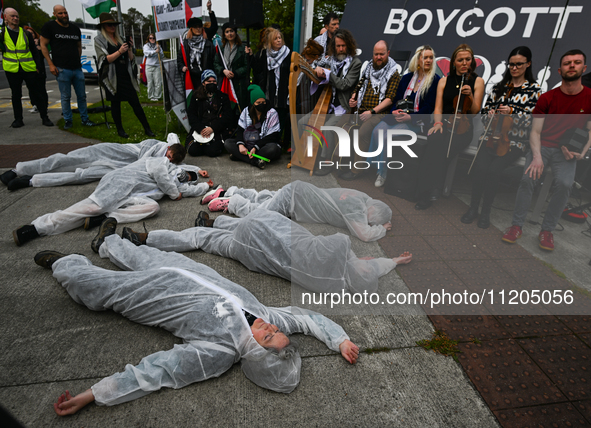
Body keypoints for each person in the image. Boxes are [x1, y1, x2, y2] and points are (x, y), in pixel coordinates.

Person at [37, 234, 358, 415]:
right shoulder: (269, 317)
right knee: (137, 253)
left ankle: (63, 264)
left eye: (267, 337)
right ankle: (106, 241)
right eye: (277, 332)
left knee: (93, 289)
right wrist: (340, 340)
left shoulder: (218, 352)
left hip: (151, 297)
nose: (269, 327)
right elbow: (307, 318)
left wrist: (93, 394)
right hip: (181, 268)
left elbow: (158, 371)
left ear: (255, 354)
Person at [122, 209, 412, 293]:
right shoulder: (332, 286)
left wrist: (360, 257)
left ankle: (205, 222)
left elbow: (344, 243)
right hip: (254, 254)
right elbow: (371, 269)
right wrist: (393, 261)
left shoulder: (334, 250)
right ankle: (147, 238)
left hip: (265, 232)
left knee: (234, 226)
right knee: (206, 239)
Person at [502, 49, 591, 251]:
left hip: (567, 152)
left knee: (565, 184)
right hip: (542, 146)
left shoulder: (589, 97)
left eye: (576, 63)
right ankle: (516, 226)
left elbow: (589, 131)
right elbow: (535, 131)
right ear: (560, 70)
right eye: (567, 63)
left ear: (584, 68)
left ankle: (547, 230)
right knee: (527, 178)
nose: (572, 66)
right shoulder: (547, 98)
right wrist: (537, 157)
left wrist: (582, 152)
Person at [12, 157, 211, 246]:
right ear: (182, 168)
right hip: (122, 183)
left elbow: (187, 191)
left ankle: (106, 217)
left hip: (134, 196)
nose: (187, 178)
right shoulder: (163, 163)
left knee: (153, 207)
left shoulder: (179, 185)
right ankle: (35, 228)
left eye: (190, 178)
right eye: (187, 174)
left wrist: (206, 186)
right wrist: (175, 189)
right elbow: (164, 178)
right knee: (91, 207)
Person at [461, 46, 541, 229]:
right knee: (479, 169)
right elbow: (483, 113)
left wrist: (512, 113)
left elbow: (531, 121)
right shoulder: (499, 87)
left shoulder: (534, 90)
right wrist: (489, 114)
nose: (514, 68)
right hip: (490, 137)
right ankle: (473, 208)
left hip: (514, 141)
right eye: (511, 64)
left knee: (493, 171)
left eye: (519, 64)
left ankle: (486, 211)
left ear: (528, 64)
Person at [202, 180, 393, 242]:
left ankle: (229, 191)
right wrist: (382, 228)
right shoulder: (357, 208)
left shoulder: (360, 195)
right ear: (373, 210)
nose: (369, 221)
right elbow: (364, 235)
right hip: (295, 200)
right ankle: (230, 203)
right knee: (261, 212)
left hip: (299, 191)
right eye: (372, 218)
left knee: (266, 197)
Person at [414, 44, 485, 210]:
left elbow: (474, 112)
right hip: (442, 123)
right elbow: (438, 108)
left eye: (468, 59)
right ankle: (429, 190)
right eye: (460, 60)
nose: (464, 63)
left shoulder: (478, 81)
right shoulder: (444, 81)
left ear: (472, 61)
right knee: (435, 142)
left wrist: (471, 96)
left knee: (441, 150)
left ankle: (427, 191)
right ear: (454, 62)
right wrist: (438, 123)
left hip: (463, 128)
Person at [0, 134, 187, 191]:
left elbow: (179, 169)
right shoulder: (157, 145)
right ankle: (19, 169)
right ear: (170, 148)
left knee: (79, 175)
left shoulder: (167, 162)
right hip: (109, 152)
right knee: (68, 159)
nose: (167, 159)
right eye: (169, 155)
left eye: (170, 160)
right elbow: (172, 137)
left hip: (116, 168)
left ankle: (32, 180)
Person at [370, 45, 440, 187]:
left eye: (431, 57)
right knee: (377, 131)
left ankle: (382, 172)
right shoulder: (407, 78)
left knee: (386, 136)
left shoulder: (435, 80)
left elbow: (429, 108)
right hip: (398, 116)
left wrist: (411, 117)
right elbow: (396, 100)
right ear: (418, 59)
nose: (428, 60)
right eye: (425, 57)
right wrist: (395, 111)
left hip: (416, 122)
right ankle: (378, 165)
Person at [339, 40, 401, 181]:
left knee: (363, 133)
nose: (378, 57)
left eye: (382, 54)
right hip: (361, 109)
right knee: (340, 126)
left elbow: (390, 99)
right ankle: (342, 163)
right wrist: (353, 98)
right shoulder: (368, 68)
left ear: (388, 53)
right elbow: (359, 85)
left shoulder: (394, 73)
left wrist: (371, 112)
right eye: (376, 54)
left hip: (379, 113)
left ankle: (357, 170)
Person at [309, 29, 362, 174]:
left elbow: (344, 84)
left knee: (327, 126)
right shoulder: (331, 59)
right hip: (328, 103)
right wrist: (318, 69)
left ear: (349, 45)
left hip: (343, 106)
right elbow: (314, 66)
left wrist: (328, 74)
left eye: (343, 46)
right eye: (337, 46)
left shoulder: (355, 63)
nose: (340, 49)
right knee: (304, 122)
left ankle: (327, 162)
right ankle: (307, 157)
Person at [94, 13, 155, 139]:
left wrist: (129, 49)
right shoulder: (99, 40)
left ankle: (147, 128)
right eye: (109, 25)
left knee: (135, 103)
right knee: (115, 104)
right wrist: (119, 51)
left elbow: (131, 59)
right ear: (103, 26)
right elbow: (104, 60)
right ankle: (120, 129)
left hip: (125, 75)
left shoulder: (121, 38)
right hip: (112, 77)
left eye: (114, 25)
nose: (112, 27)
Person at [40, 5, 94, 129]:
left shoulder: (75, 28)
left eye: (65, 13)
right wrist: (51, 64)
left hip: (77, 68)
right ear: (54, 14)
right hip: (62, 69)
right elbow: (43, 45)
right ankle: (68, 120)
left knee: (82, 96)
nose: (64, 15)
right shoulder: (49, 27)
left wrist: (78, 59)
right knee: (65, 97)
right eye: (60, 13)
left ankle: (85, 119)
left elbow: (79, 46)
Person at [1, 8, 53, 128]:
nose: (15, 18)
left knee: (37, 93)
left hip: (29, 68)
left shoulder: (25, 33)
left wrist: (38, 67)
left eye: (17, 16)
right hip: (12, 69)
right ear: (6, 18)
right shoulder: (2, 33)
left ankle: (45, 117)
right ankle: (18, 119)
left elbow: (34, 51)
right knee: (16, 95)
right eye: (13, 16)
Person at [224, 84, 282, 169]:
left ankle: (241, 157)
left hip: (263, 145)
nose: (261, 104)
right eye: (258, 103)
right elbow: (240, 130)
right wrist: (241, 145)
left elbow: (273, 136)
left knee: (272, 148)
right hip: (248, 144)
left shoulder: (272, 113)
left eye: (263, 102)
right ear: (253, 103)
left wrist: (256, 147)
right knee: (228, 143)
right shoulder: (246, 111)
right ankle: (255, 161)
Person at [185, 70, 235, 157]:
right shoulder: (195, 97)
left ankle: (209, 146)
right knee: (193, 151)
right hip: (200, 129)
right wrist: (201, 129)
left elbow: (227, 116)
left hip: (216, 129)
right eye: (209, 81)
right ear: (203, 83)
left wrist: (212, 128)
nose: (212, 83)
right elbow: (191, 115)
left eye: (214, 81)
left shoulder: (223, 97)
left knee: (212, 152)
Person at [260, 28, 291, 148]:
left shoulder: (288, 53)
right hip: (270, 91)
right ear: (270, 42)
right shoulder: (265, 54)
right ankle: (269, 140)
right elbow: (261, 72)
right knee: (270, 115)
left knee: (282, 116)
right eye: (275, 39)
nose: (279, 40)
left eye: (280, 38)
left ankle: (279, 141)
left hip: (283, 91)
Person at [213, 22, 250, 110]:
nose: (230, 33)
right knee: (225, 109)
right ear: (224, 34)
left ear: (235, 32)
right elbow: (216, 63)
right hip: (224, 82)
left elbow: (246, 66)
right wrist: (223, 71)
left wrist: (235, 73)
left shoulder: (242, 48)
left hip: (238, 84)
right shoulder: (220, 49)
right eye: (227, 32)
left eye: (231, 31)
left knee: (238, 109)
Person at [178, 16, 215, 93]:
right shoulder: (185, 44)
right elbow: (180, 59)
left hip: (205, 76)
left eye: (200, 27)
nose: (198, 29)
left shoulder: (208, 44)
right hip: (190, 76)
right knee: (192, 100)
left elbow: (214, 60)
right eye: (195, 27)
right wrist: (182, 67)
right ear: (191, 29)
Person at [23, 25, 49, 116]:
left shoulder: (40, 43)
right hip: (29, 69)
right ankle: (34, 105)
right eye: (28, 33)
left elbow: (45, 54)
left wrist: (39, 46)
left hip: (40, 69)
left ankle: (44, 106)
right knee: (31, 89)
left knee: (42, 89)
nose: (31, 34)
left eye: (32, 33)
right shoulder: (24, 44)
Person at [142, 33, 163, 101]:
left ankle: (157, 96)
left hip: (157, 66)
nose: (152, 39)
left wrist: (159, 50)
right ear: (148, 39)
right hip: (149, 66)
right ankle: (151, 96)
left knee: (157, 82)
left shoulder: (158, 46)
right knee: (150, 82)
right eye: (150, 38)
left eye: (153, 38)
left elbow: (162, 55)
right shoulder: (146, 46)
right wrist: (155, 51)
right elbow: (146, 53)